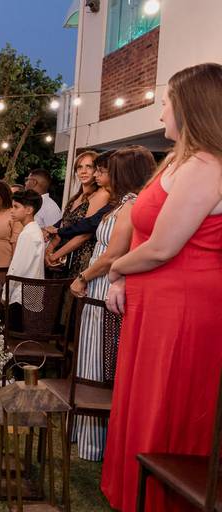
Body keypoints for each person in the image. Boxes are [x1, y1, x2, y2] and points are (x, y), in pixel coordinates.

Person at [101, 63, 222, 512]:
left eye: (166, 103)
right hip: (156, 303)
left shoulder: (207, 166)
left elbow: (163, 248)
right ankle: (133, 493)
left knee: (165, 403)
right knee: (143, 399)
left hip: (184, 307)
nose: (160, 113)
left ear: (191, 107)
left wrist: (116, 270)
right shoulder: (180, 160)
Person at [67, 145, 156, 462]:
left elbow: (113, 254)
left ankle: (96, 443)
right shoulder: (120, 204)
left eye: (109, 170)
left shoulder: (132, 206)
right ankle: (83, 434)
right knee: (88, 354)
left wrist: (83, 277)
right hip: (99, 281)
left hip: (105, 283)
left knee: (99, 360)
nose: (100, 174)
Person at [45, 153, 110, 277]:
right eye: (79, 167)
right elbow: (62, 228)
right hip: (62, 258)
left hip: (81, 259)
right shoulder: (76, 198)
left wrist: (54, 256)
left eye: (89, 167)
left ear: (96, 170)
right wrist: (48, 251)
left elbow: (84, 235)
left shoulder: (101, 195)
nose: (83, 171)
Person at [4, 190, 45, 305]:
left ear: (29, 210)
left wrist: (5, 294)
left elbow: (18, 268)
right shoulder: (33, 230)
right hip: (29, 292)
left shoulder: (28, 234)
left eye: (16, 207)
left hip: (21, 295)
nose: (12, 210)